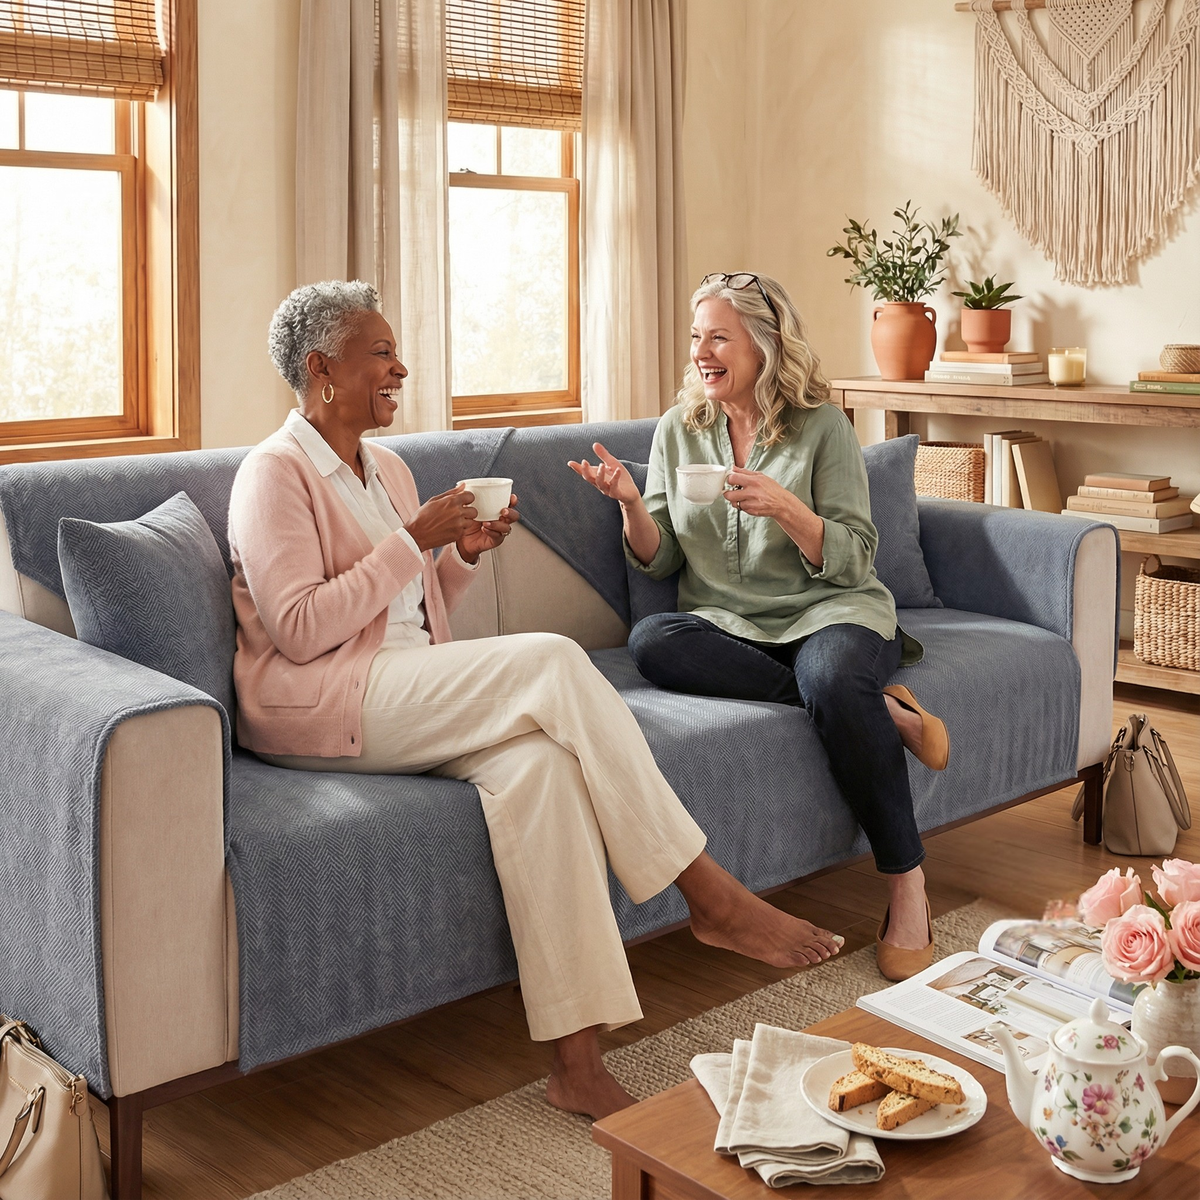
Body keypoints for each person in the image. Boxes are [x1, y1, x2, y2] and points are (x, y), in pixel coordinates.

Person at [227, 280, 844, 1120]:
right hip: (325, 703)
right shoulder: (274, 473)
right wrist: (416, 541)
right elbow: (299, 630)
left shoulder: (390, 469)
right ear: (321, 369)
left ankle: (575, 1063)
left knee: (543, 769)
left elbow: (412, 617)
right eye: (381, 353)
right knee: (554, 661)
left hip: (405, 691)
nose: (400, 365)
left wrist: (463, 556)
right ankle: (707, 891)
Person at [569, 272, 950, 984]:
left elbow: (856, 556)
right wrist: (629, 503)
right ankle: (880, 713)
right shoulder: (680, 430)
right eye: (696, 338)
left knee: (833, 676)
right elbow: (664, 561)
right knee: (653, 641)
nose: (702, 352)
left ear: (764, 346)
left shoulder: (823, 427)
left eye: (719, 336)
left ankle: (907, 885)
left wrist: (787, 510)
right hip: (726, 623)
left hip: (833, 611)